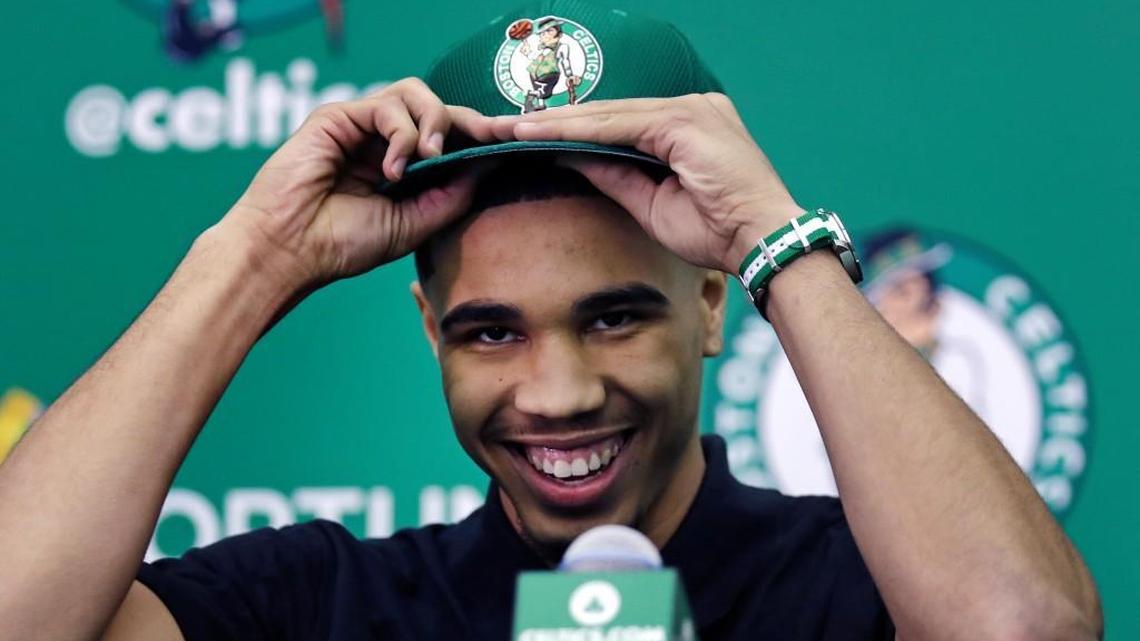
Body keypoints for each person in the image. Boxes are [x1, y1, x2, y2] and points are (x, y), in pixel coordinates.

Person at [0, 2, 1102, 641]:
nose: (561, 393)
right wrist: (250, 257)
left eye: (614, 317)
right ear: (429, 329)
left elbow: (1023, 627)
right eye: (492, 331)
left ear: (712, 300)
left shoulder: (854, 583)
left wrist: (779, 237)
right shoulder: (324, 603)